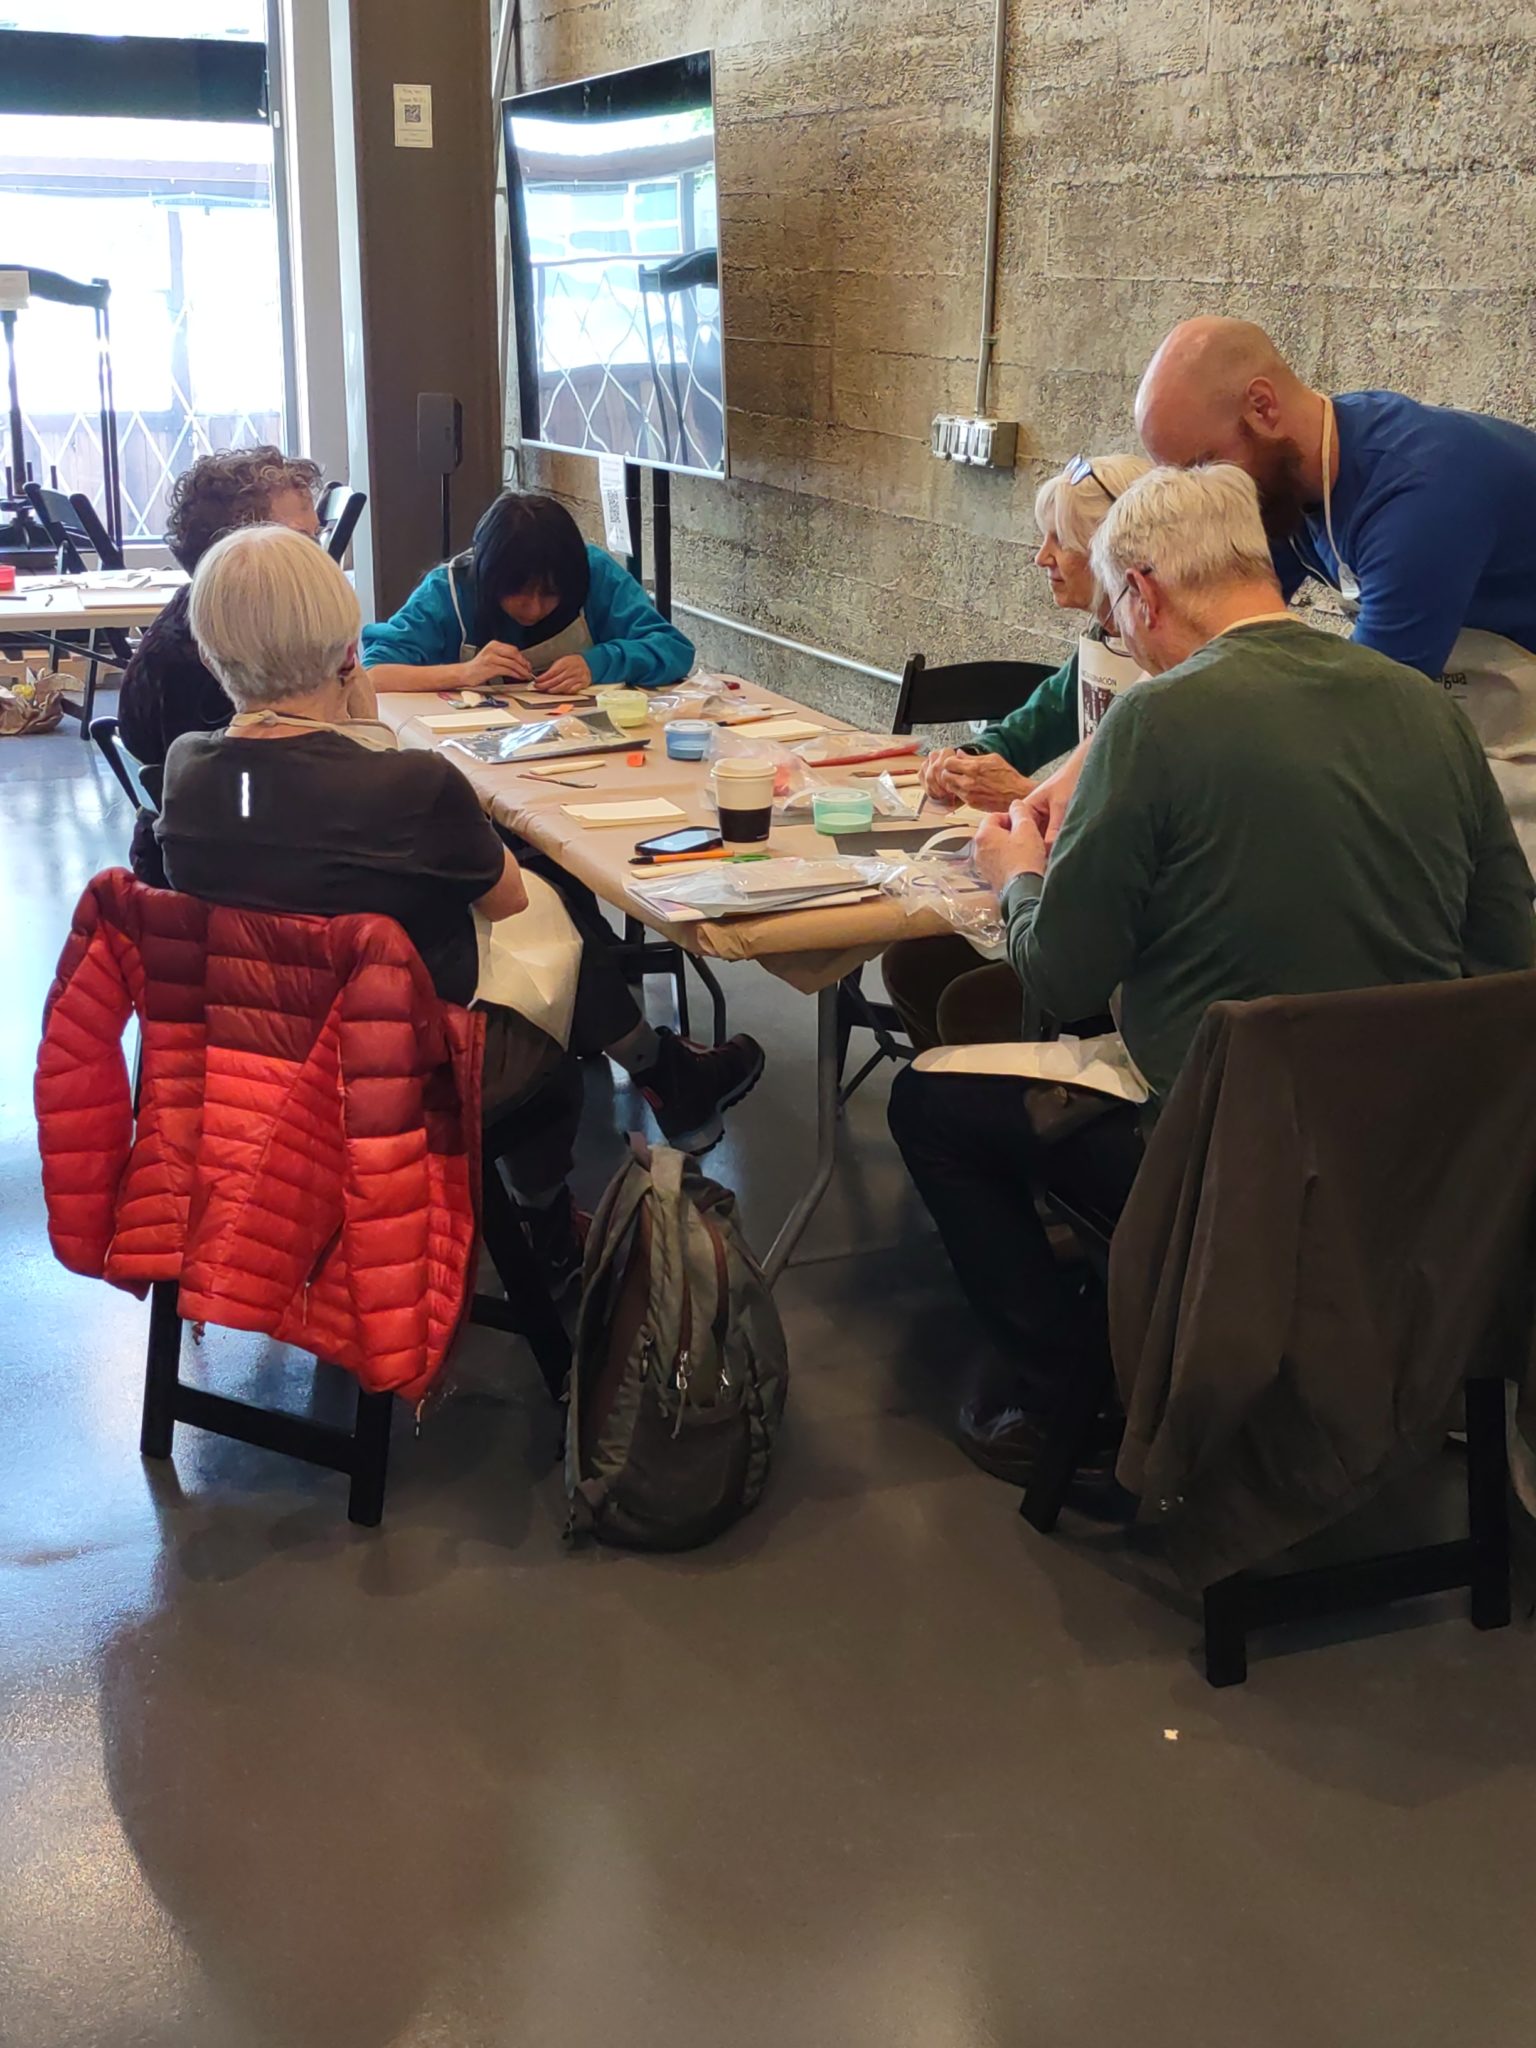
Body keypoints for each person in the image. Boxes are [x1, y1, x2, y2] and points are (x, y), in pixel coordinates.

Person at [888, 463, 1536, 1488]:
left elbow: (1059, 972)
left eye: (1119, 610)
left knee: (927, 1105)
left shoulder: (1156, 720)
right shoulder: (1426, 710)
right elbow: (1507, 953)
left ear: (1142, 592)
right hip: (1417, 1163)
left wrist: (1018, 877)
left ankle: (1072, 1386)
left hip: (1225, 1160)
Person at [156, 529, 762, 1283]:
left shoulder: (188, 775)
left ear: (212, 655)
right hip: (410, 1064)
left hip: (257, 1054)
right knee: (554, 978)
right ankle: (547, 1210)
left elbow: (267, 818)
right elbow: (508, 900)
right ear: (349, 651)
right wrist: (369, 730)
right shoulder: (409, 784)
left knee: (546, 944)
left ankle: (657, 1072)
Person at [882, 452, 1149, 1051]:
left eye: (1061, 541)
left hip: (1126, 935)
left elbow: (1131, 830)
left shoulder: (1165, 671)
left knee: (962, 1000)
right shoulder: (1101, 642)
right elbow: (1031, 724)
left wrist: (1023, 797)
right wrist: (970, 758)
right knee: (910, 964)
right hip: (1073, 887)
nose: (1042, 557)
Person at [361, 490, 695, 695]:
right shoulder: (448, 589)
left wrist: (598, 664)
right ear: (488, 576)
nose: (534, 608)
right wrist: (466, 672)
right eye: (518, 592)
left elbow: (674, 649)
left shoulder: (593, 572)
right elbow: (374, 674)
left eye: (550, 594)